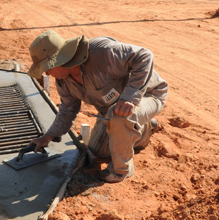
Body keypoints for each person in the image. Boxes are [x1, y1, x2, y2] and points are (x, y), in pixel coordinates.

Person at [28, 30, 168, 183]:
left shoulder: (100, 51)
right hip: (113, 110)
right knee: (97, 151)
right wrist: (47, 137)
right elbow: (67, 111)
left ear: (59, 60)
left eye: (47, 67)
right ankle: (144, 130)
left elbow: (144, 56)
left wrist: (130, 97)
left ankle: (121, 170)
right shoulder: (64, 82)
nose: (46, 72)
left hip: (149, 94)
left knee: (121, 117)